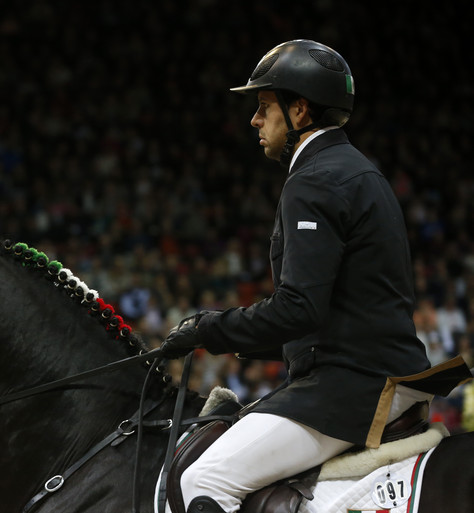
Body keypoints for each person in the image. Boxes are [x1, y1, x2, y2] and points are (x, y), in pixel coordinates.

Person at [159, 39, 473, 513]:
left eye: (264, 107)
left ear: (300, 110)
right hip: (381, 374)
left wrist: (209, 328)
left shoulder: (313, 179)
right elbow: (324, 317)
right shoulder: (360, 171)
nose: (255, 120)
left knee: (205, 477)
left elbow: (298, 308)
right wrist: (222, 337)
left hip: (350, 390)